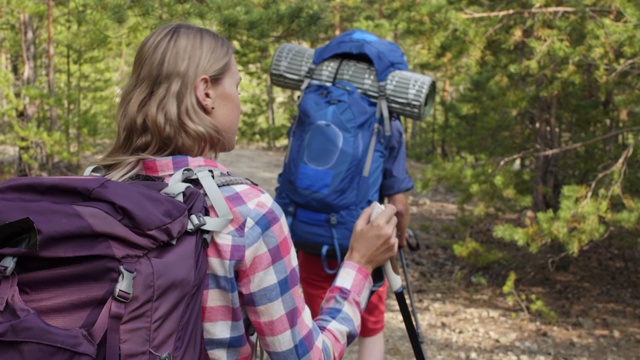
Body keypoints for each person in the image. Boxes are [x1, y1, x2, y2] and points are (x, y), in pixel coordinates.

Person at [96, 22, 399, 360]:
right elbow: (306, 356)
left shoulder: (97, 191)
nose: (239, 103)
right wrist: (359, 264)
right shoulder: (249, 213)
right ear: (205, 92)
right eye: (236, 87)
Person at [296, 116, 414, 360]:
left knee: (318, 330)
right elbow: (399, 206)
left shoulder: (320, 109)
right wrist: (399, 237)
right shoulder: (387, 120)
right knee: (370, 328)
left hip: (314, 242)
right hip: (369, 244)